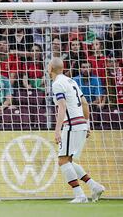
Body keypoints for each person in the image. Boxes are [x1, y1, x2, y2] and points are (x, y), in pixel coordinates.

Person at [48, 57, 105, 203]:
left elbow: (62, 107)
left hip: (71, 124)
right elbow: (85, 103)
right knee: (69, 160)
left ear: (50, 69)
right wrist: (87, 124)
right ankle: (94, 186)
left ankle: (80, 195)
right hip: (80, 123)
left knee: (62, 160)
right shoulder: (71, 81)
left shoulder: (57, 84)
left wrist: (57, 130)